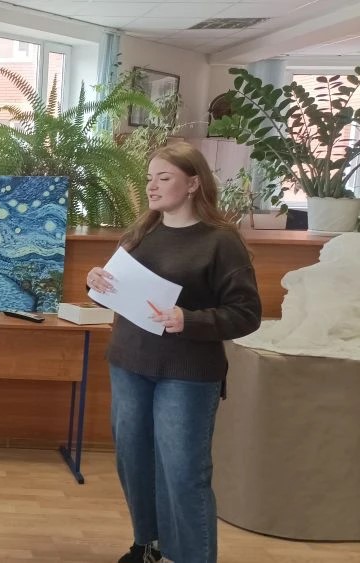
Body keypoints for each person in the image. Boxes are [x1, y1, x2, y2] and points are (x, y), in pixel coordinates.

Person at [87, 142, 262, 563]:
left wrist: (190, 320)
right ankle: (147, 544)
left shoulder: (222, 241)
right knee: (134, 462)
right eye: (149, 178)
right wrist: (95, 282)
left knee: (183, 473)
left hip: (188, 373)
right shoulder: (141, 232)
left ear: (193, 184)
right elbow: (116, 290)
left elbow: (247, 313)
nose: (151, 186)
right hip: (129, 364)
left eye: (163, 178)